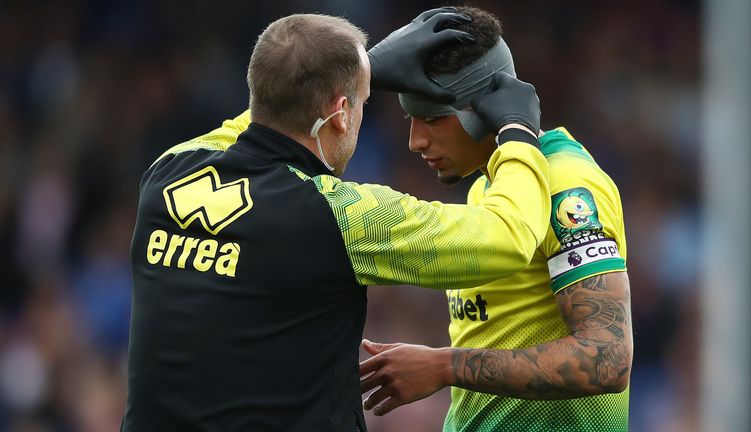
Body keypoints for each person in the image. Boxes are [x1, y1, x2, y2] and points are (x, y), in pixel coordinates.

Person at [122, 9, 550, 431]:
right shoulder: (336, 217)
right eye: (361, 103)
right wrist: (517, 130)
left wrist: (346, 72)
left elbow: (261, 119)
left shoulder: (167, 173)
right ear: (341, 111)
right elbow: (507, 238)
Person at [358, 6, 633, 432]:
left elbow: (607, 358)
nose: (415, 140)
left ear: (482, 112)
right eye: (410, 119)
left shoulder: (566, 184)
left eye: (432, 119)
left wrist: (444, 366)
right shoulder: (490, 189)